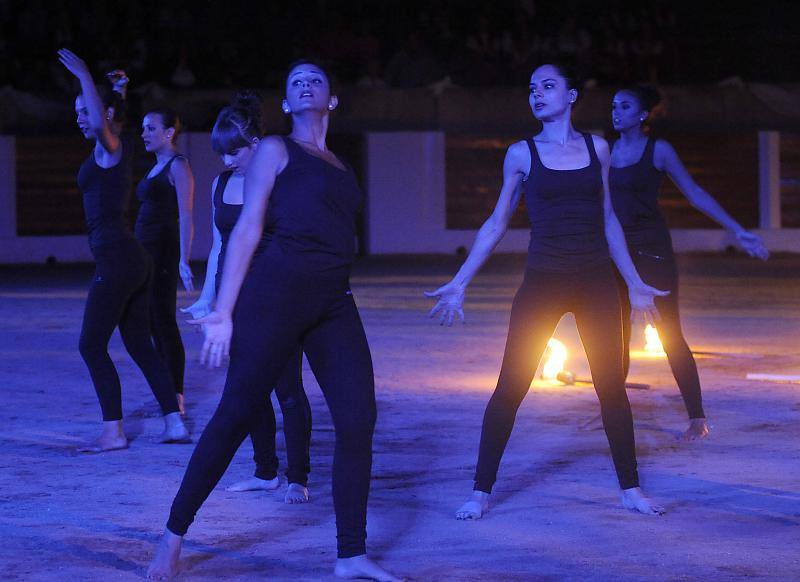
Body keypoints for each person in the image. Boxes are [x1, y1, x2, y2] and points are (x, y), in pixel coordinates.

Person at [147, 61, 400, 581]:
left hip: (334, 302)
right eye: (293, 82)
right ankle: (171, 539)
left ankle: (351, 555)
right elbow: (245, 230)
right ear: (285, 105)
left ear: (333, 100)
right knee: (235, 413)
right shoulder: (274, 150)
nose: (305, 83)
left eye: (316, 79)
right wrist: (221, 310)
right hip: (275, 297)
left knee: (358, 420)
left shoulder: (340, 165)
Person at [426, 63, 668, 521]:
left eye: (548, 86)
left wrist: (634, 283)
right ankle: (480, 491)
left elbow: (609, 219)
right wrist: (460, 280)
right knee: (510, 386)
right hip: (543, 280)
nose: (537, 94)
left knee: (611, 389)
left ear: (572, 95)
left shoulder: (598, 148)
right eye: (532, 88)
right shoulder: (521, 154)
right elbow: (497, 222)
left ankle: (631, 488)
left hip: (596, 280)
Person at [609, 85, 769, 440]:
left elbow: (695, 193)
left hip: (653, 252)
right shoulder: (605, 152)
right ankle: (613, 411)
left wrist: (737, 230)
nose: (616, 112)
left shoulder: (659, 150)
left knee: (669, 334)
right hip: (616, 253)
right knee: (614, 335)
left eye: (624, 106)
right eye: (613, 106)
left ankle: (697, 418)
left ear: (642, 114)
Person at [182, 92, 312, 504]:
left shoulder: (279, 181)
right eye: (220, 152)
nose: (225, 160)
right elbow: (220, 245)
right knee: (245, 385)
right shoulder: (221, 183)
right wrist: (209, 299)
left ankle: (298, 477)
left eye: (233, 151)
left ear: (256, 143)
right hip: (233, 298)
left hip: (275, 295)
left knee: (287, 388)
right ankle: (265, 471)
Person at [57, 49, 189, 452]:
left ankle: (113, 431)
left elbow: (101, 121)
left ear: (105, 116)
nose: (80, 117)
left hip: (118, 258)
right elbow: (109, 115)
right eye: (76, 111)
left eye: (85, 110)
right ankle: (175, 422)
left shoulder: (109, 148)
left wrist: (84, 77)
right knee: (137, 344)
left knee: (90, 344)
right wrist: (117, 91)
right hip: (130, 258)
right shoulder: (121, 147)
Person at [136, 107, 195, 414]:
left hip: (163, 254)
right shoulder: (155, 166)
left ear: (169, 133)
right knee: (149, 321)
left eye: (150, 128)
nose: (144, 133)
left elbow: (186, 215)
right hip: (146, 256)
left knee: (162, 321)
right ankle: (166, 391)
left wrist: (184, 259)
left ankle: (176, 396)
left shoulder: (178, 165)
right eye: (143, 128)